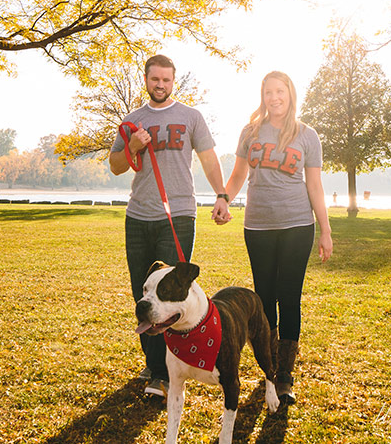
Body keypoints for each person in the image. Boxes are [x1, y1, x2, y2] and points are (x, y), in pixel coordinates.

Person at [109, 54, 230, 397]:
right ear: (145, 80)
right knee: (143, 293)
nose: (160, 85)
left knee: (169, 294)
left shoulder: (191, 117)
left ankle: (164, 374)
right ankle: (155, 366)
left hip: (177, 215)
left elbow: (208, 158)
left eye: (166, 80)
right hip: (138, 217)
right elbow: (116, 165)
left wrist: (221, 194)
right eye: (155, 79)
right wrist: (132, 146)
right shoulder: (133, 120)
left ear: (173, 81)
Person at [219, 71, 333, 405]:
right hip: (258, 226)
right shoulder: (250, 132)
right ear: (262, 95)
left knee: (289, 297)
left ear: (290, 94)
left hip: (297, 226)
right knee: (264, 300)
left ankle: (284, 375)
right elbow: (239, 174)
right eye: (268, 92)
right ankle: (268, 370)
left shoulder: (307, 135)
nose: (274, 97)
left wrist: (325, 230)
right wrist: (224, 198)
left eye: (279, 91)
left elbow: (314, 185)